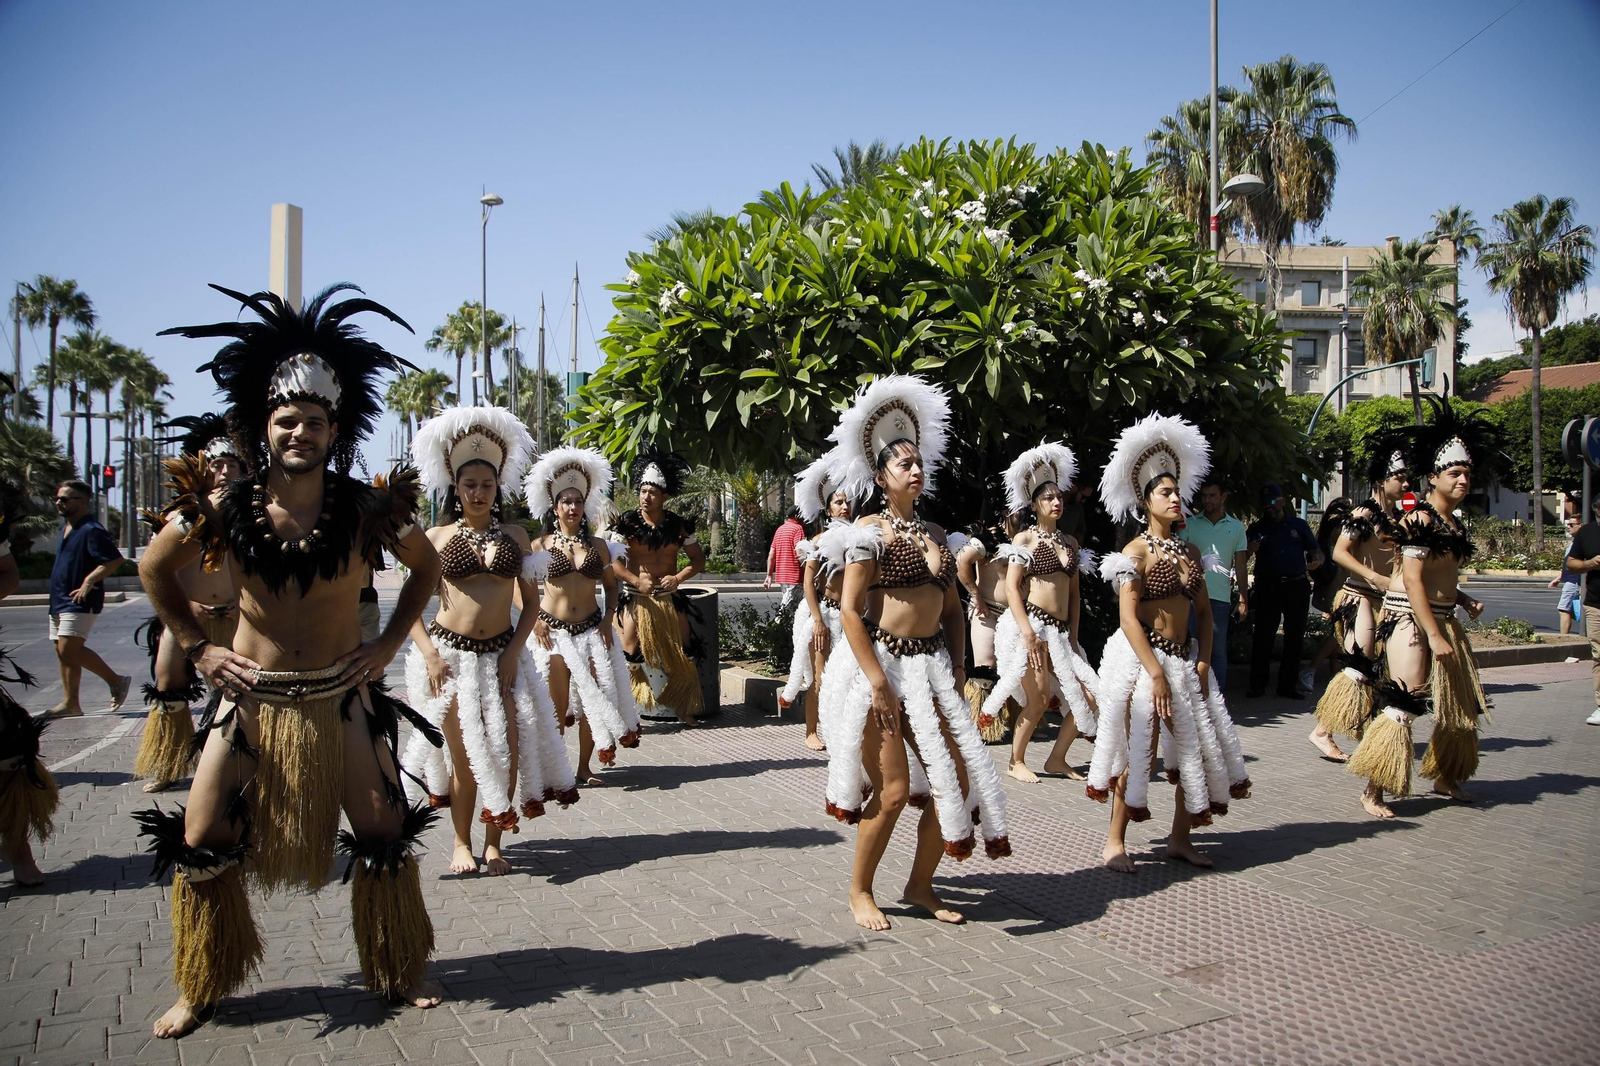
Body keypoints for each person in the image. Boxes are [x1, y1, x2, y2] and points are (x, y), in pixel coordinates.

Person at [136, 283, 446, 1037]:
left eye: (311, 420)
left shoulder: (369, 512)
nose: (298, 432)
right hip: (251, 702)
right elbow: (152, 567)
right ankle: (202, 984)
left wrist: (390, 643)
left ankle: (397, 968)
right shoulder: (222, 509)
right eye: (285, 420)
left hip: (340, 698)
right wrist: (200, 646)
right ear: (263, 428)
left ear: (334, 428)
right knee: (205, 833)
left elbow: (427, 570)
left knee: (380, 829)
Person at [815, 375, 1010, 931]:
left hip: (931, 673)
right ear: (881, 477)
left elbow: (951, 609)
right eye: (904, 464)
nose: (916, 470)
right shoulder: (867, 533)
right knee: (895, 791)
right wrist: (876, 680)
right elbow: (851, 611)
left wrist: (957, 660)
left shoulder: (936, 533)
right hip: (881, 668)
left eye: (919, 462)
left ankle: (920, 884)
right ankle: (859, 890)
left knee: (961, 781)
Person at [400, 406, 576, 876]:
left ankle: (494, 843)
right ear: (456, 489)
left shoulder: (516, 536)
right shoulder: (434, 537)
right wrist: (432, 657)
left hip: (503, 657)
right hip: (452, 660)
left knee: (504, 751)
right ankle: (461, 843)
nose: (478, 493)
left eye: (487, 485)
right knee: (465, 757)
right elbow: (410, 609)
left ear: (498, 487)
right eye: (469, 485)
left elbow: (532, 604)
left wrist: (515, 652)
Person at [1090, 413, 1250, 873]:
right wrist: (1155, 673)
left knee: (1191, 749)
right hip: (1145, 663)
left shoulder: (1191, 552)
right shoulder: (1133, 554)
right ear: (1146, 502)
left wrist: (1202, 662)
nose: (1177, 499)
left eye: (1178, 492)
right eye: (1167, 493)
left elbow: (1203, 612)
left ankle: (1179, 839)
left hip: (1184, 660)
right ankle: (1115, 842)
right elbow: (1128, 618)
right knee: (1136, 748)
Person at [1347, 398, 1493, 816]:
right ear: (1433, 478)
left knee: (1457, 706)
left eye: (1467, 472)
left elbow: (1440, 578)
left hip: (1442, 617)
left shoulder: (1454, 523)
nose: (1463, 479)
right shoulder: (1419, 520)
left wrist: (1463, 600)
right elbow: (1411, 579)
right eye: (1455, 472)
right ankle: (1374, 788)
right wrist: (1431, 633)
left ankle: (1447, 775)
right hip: (1410, 618)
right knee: (1406, 701)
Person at [134, 414, 246, 792]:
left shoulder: (254, 515)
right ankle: (167, 765)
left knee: (235, 692)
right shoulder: (183, 515)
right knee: (169, 686)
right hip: (189, 617)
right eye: (218, 464)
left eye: (233, 463)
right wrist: (189, 607)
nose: (226, 470)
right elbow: (158, 569)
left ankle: (231, 765)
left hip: (236, 618)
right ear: (204, 469)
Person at [981, 442, 1099, 782]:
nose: (1056, 502)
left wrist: (1074, 637)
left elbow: (1074, 595)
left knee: (1088, 695)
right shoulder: (1024, 541)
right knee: (1038, 698)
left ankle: (1057, 759)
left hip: (1061, 633)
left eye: (1059, 497)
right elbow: (1010, 592)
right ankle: (1015, 761)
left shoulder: (1071, 544)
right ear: (1034, 504)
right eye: (1048, 498)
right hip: (1030, 627)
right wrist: (1027, 633)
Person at [523, 445, 639, 783]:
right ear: (555, 508)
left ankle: (584, 767)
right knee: (556, 707)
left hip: (590, 631)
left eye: (577, 501)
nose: (572, 507)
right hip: (554, 636)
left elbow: (613, 587)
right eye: (566, 502)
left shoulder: (599, 546)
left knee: (595, 701)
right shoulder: (540, 545)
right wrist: (536, 620)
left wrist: (607, 620)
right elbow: (522, 591)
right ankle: (556, 772)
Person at [1312, 446, 1410, 757]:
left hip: (1386, 600)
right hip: (1358, 596)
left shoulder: (1399, 517)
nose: (1406, 484)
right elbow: (1340, 552)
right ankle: (1321, 730)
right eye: (1400, 477)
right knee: (1358, 664)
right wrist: (1374, 577)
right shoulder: (1363, 513)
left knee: (1378, 670)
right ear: (1383, 480)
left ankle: (1368, 729)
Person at [611, 445, 706, 725]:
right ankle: (627, 710)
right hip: (634, 598)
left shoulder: (678, 526)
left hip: (668, 598)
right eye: (642, 491)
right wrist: (635, 580)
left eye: (652, 492)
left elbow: (697, 560)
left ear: (664, 496)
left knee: (684, 648)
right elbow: (614, 563)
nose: (645, 497)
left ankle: (683, 705)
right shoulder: (628, 524)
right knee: (629, 650)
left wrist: (678, 578)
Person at [777, 457, 857, 751]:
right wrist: (818, 620)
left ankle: (844, 731)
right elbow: (808, 583)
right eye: (838, 503)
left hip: (853, 618)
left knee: (850, 676)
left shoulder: (860, 538)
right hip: (825, 614)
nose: (844, 507)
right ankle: (812, 730)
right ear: (828, 508)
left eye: (847, 502)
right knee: (820, 676)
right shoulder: (819, 542)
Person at [45, 479, 133, 718]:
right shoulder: (67, 527)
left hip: (80, 599)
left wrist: (88, 581)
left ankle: (116, 681)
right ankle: (70, 703)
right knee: (62, 651)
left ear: (82, 501)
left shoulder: (91, 529)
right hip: (59, 599)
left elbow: (114, 559)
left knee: (69, 649)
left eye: (65, 499)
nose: (58, 503)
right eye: (58, 498)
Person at [1245, 483, 1324, 699]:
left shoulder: (1298, 525)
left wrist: (1316, 560)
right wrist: (1248, 552)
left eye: (1272, 502)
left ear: (1282, 501)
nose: (1268, 507)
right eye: (1264, 504)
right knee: (1263, 636)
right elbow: (1241, 558)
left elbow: (1315, 551)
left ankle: (1287, 685)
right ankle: (1258, 684)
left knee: (1294, 636)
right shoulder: (1256, 529)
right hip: (1267, 586)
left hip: (1295, 585)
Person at [1179, 478, 1249, 693]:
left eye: (1212, 495)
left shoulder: (1236, 527)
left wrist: (1244, 599)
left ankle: (1217, 703)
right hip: (1190, 596)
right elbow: (1181, 558)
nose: (1207, 500)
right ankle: (1191, 700)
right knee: (1189, 648)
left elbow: (1240, 565)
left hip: (1219, 598)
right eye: (1204, 495)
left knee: (1217, 651)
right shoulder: (1190, 524)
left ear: (1223, 497)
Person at [953, 514, 1019, 741]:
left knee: (1012, 669)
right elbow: (962, 561)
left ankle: (1012, 721)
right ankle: (983, 726)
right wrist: (975, 594)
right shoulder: (990, 537)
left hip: (1015, 614)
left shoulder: (1025, 538)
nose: (1020, 513)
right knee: (986, 667)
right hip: (988, 610)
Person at [1559, 499, 1600, 725]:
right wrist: (1591, 563)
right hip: (1596, 603)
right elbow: (1572, 564)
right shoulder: (1588, 534)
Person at [765, 507, 806, 611]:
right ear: (797, 516)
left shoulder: (780, 530)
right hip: (795, 575)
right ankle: (777, 625)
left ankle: (784, 625)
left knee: (791, 606)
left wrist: (769, 575)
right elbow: (799, 553)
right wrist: (808, 569)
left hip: (782, 576)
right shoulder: (798, 529)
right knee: (788, 608)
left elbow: (771, 554)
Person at [1550, 515, 1583, 635]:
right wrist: (1559, 578)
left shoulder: (1581, 542)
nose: (1568, 527)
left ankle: (1564, 638)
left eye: (1571, 525)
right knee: (1575, 611)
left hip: (1574, 580)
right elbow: (1568, 563)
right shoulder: (1574, 542)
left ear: (1581, 525)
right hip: (1571, 579)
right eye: (1567, 524)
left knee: (1564, 609)